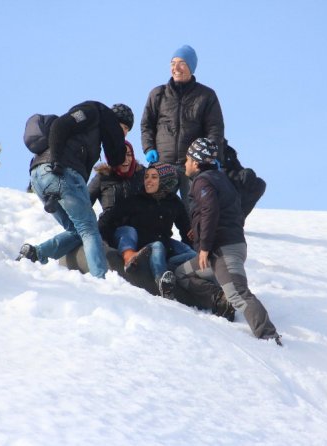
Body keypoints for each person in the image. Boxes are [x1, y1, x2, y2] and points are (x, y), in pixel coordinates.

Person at [175, 138, 281, 345]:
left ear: (196, 162)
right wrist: (196, 232)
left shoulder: (202, 181)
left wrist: (204, 246)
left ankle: (268, 335)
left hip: (223, 250)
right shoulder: (220, 179)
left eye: (188, 159)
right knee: (181, 273)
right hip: (225, 247)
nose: (185, 163)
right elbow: (224, 212)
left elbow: (210, 211)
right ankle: (218, 297)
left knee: (238, 294)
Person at [17, 100, 126, 279]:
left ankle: (34, 254)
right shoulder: (92, 111)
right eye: (122, 129)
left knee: (77, 230)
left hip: (40, 176)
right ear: (114, 121)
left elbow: (115, 157)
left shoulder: (90, 133)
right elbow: (60, 125)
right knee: (89, 229)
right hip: (60, 172)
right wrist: (57, 161)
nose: (123, 134)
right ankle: (101, 280)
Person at [140, 44, 225, 213]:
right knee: (156, 210)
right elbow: (146, 124)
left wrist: (211, 156)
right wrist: (149, 147)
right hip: (163, 163)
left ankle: (193, 240)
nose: (176, 68)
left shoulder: (206, 96)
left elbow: (215, 129)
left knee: (193, 211)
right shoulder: (158, 94)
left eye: (182, 63)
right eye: (173, 63)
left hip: (192, 165)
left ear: (191, 68)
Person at [98, 162, 196, 299]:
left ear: (165, 181)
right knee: (157, 245)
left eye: (154, 177)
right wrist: (100, 239)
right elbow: (109, 219)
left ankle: (171, 268)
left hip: (166, 247)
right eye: (146, 177)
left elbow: (186, 230)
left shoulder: (174, 202)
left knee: (193, 254)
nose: (148, 180)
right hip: (142, 248)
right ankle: (162, 282)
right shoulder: (136, 199)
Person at [88, 104, 145, 216]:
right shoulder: (103, 176)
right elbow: (85, 203)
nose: (123, 132)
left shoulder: (142, 174)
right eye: (121, 126)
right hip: (109, 226)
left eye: (127, 128)